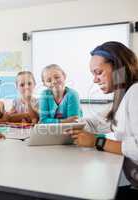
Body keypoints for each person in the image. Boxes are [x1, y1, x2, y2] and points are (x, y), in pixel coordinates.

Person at [65, 41, 138, 198]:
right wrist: (73, 123)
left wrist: (98, 142)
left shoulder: (136, 92)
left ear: (118, 67)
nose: (95, 80)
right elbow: (99, 123)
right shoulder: (123, 96)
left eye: (98, 72)